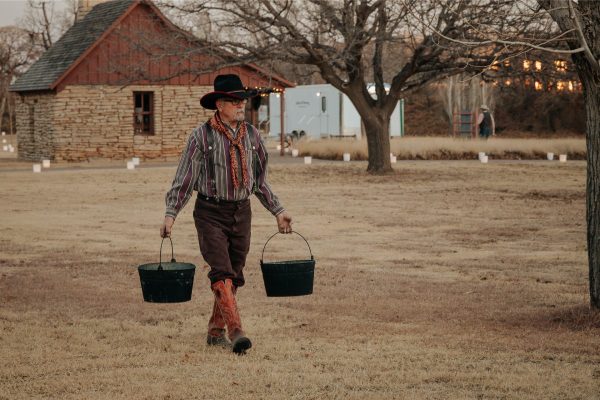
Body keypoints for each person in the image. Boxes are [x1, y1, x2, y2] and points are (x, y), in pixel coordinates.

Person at [160, 74, 293, 354]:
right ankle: (236, 331)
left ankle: (214, 330)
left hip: (241, 213)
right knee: (221, 272)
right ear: (219, 105)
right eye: (234, 101)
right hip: (210, 212)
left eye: (242, 100)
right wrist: (171, 214)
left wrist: (278, 211)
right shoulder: (200, 137)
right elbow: (184, 179)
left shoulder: (253, 137)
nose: (240, 106)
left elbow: (259, 181)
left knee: (234, 274)